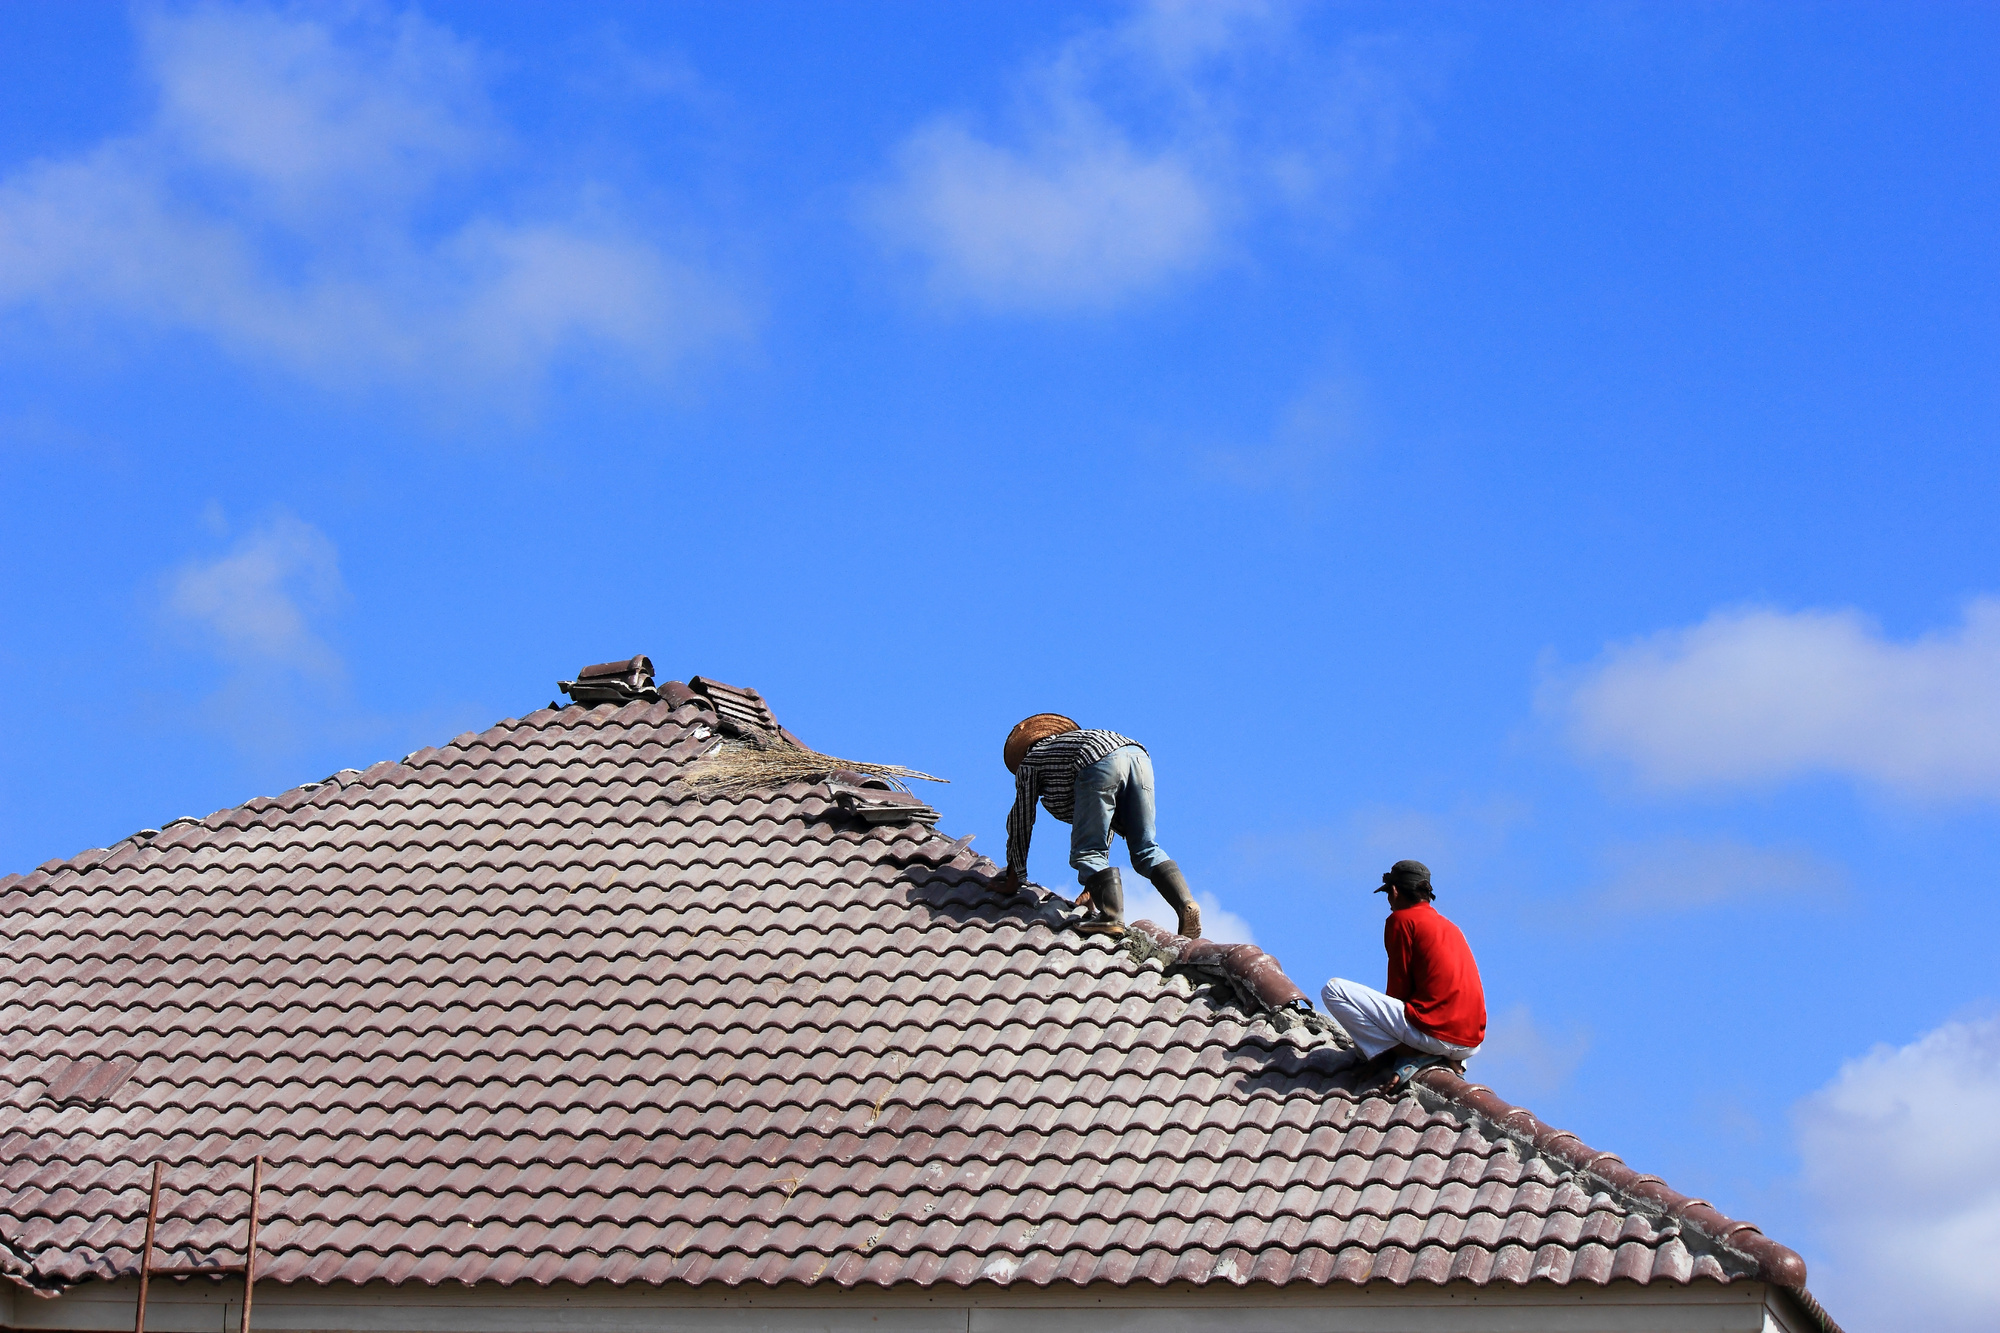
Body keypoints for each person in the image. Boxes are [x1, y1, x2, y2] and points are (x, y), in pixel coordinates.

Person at [995, 713, 1201, 939]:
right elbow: (1105, 818)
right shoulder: (1069, 748)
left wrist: (1014, 876)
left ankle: (1111, 916)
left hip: (1100, 760)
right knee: (1145, 847)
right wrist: (1092, 888)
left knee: (1086, 852)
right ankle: (1186, 904)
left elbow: (1021, 817)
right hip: (1138, 756)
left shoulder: (1031, 761)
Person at [1320, 860, 1486, 1071]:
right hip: (1470, 1044)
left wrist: (1381, 1030)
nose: (1389, 902)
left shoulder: (1401, 919)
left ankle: (1409, 1054)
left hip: (1434, 1034)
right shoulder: (1452, 927)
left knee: (1333, 990)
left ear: (1395, 891)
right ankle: (1443, 1057)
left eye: (1388, 894)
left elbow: (1399, 989)